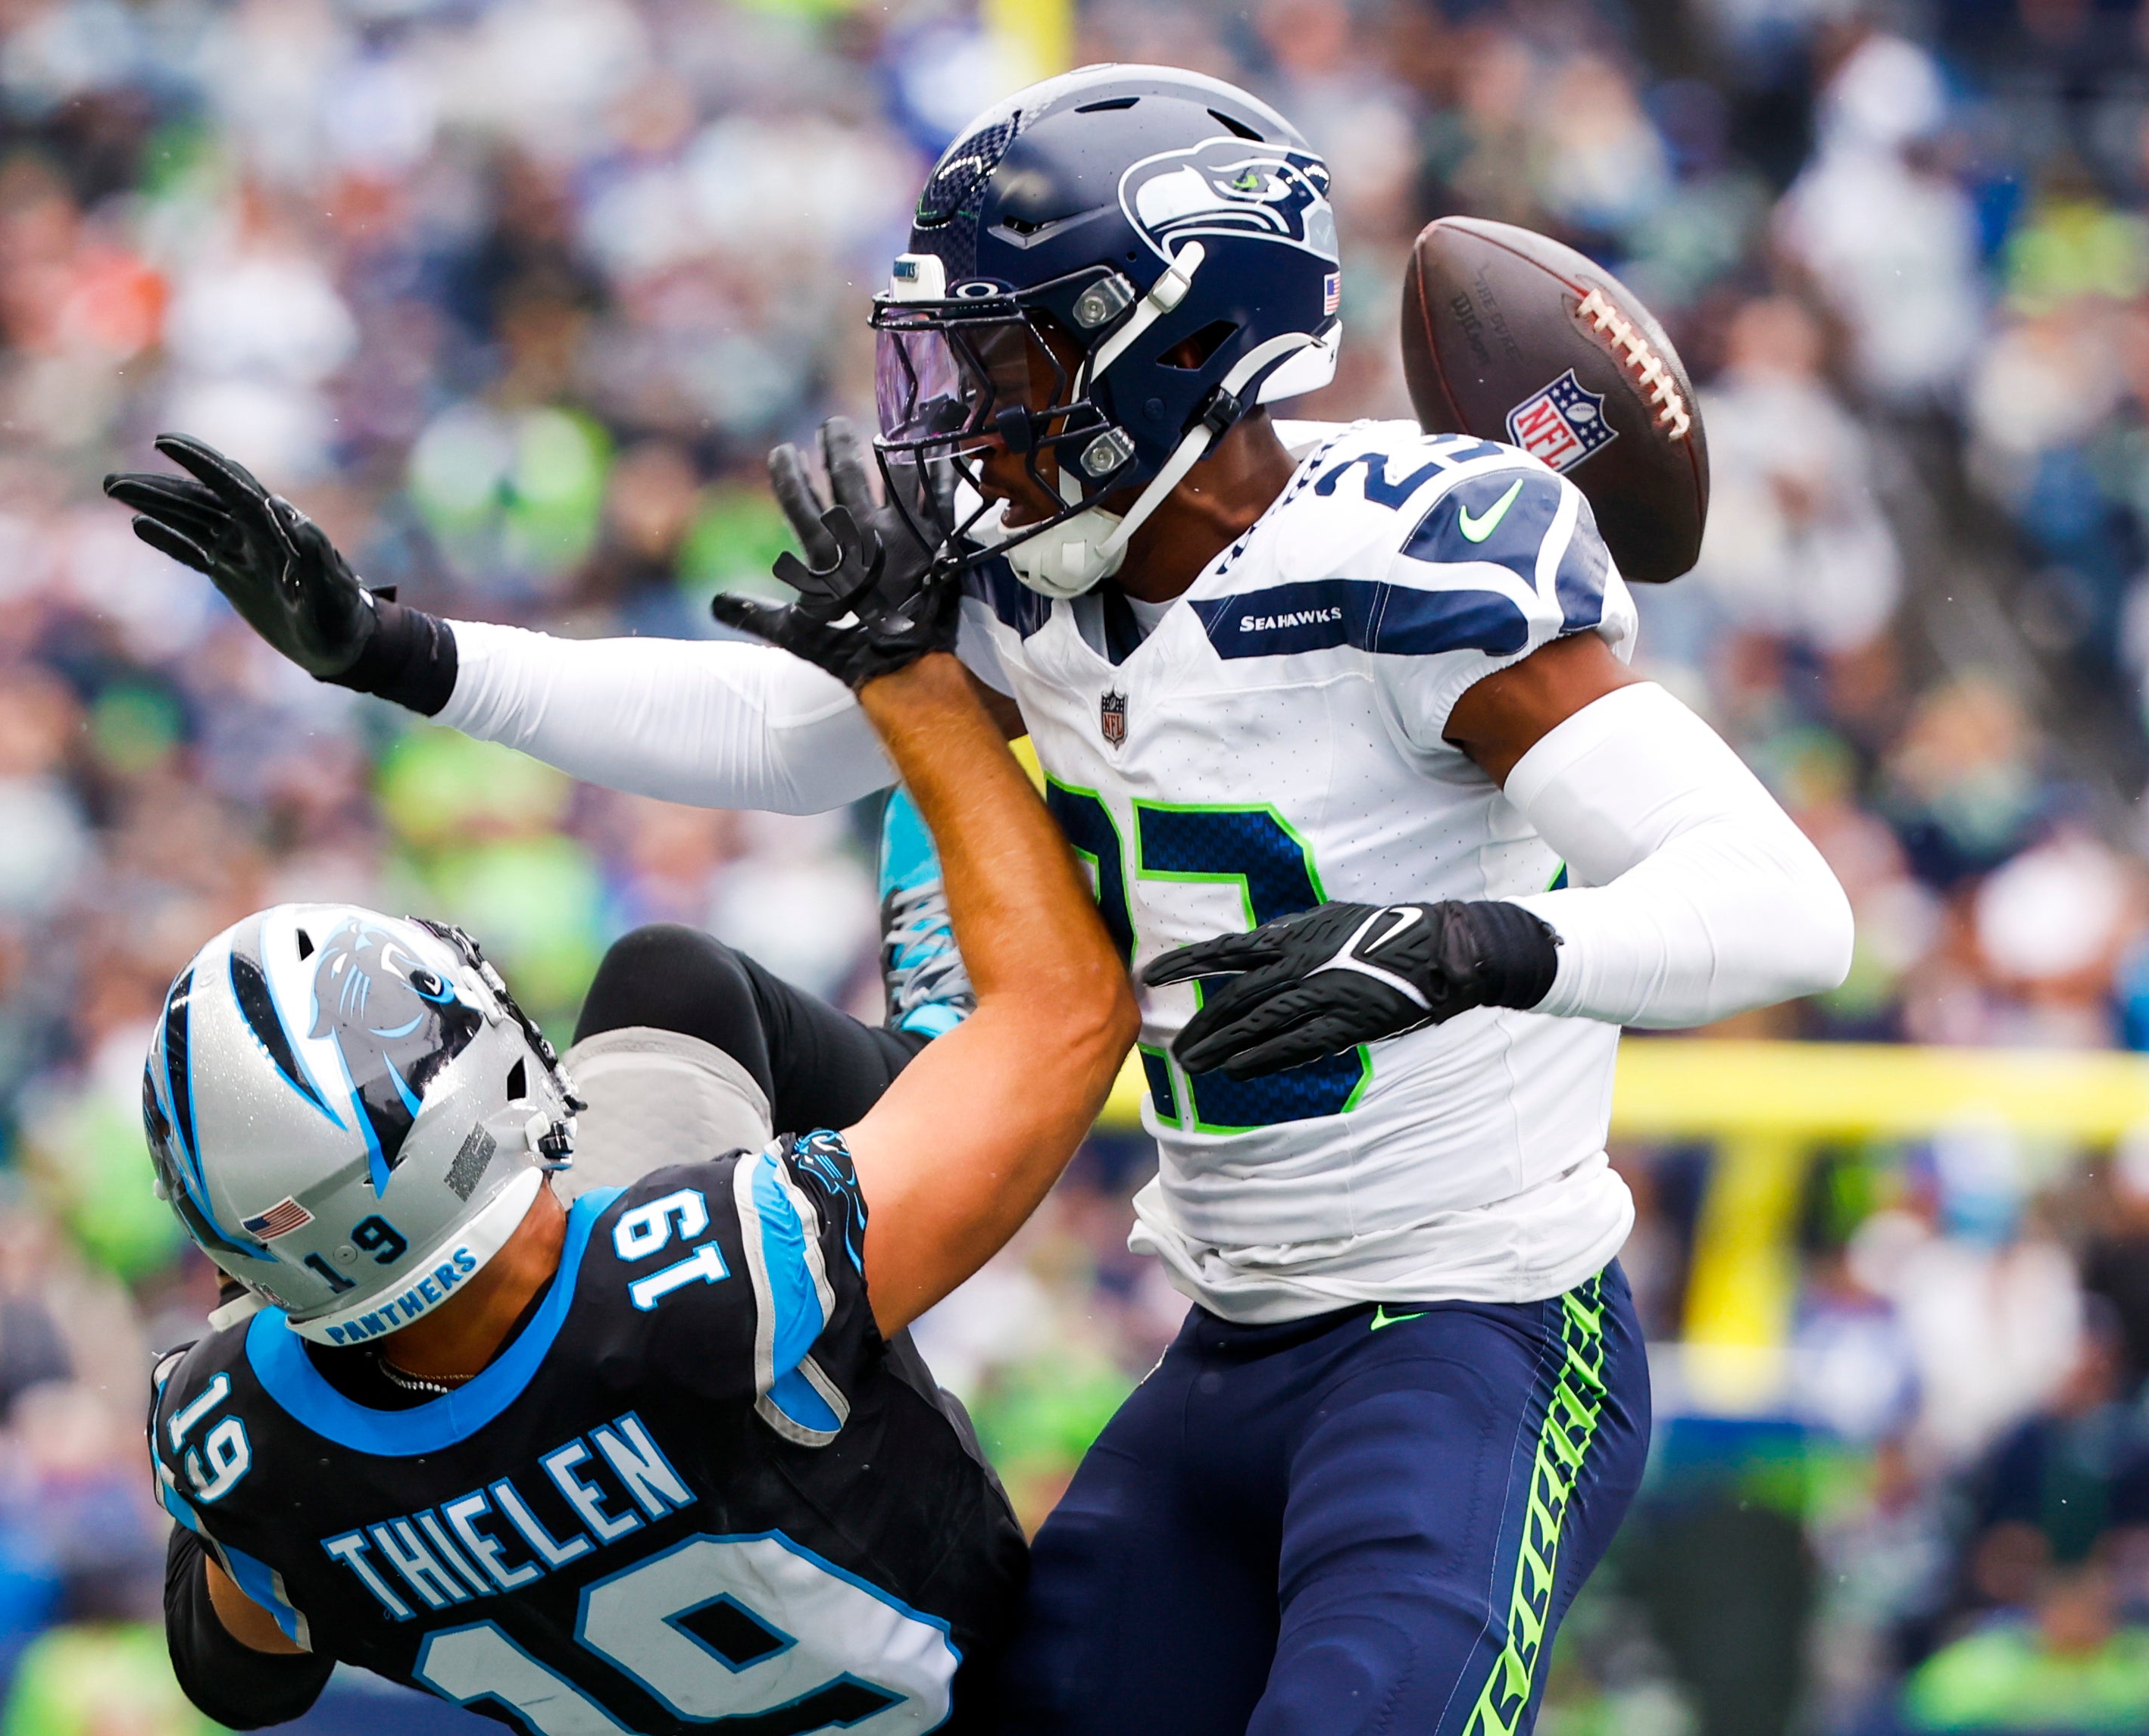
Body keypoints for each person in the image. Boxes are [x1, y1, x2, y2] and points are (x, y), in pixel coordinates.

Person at [111, 62, 1854, 1736]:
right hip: (1234, 1337)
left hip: (1474, 1330)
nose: (966, 409)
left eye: (1011, 354)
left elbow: (1785, 909)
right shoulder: (1030, 578)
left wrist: (1483, 947)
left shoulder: (1406, 555)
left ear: (1177, 341)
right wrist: (400, 654)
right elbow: (782, 730)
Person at [137, 629, 1134, 1731]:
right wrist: (930, 704)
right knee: (677, 981)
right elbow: (1072, 1014)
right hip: (999, 1698)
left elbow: (234, 1675)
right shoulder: (717, 1274)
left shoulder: (231, 1443)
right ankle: (932, 1043)